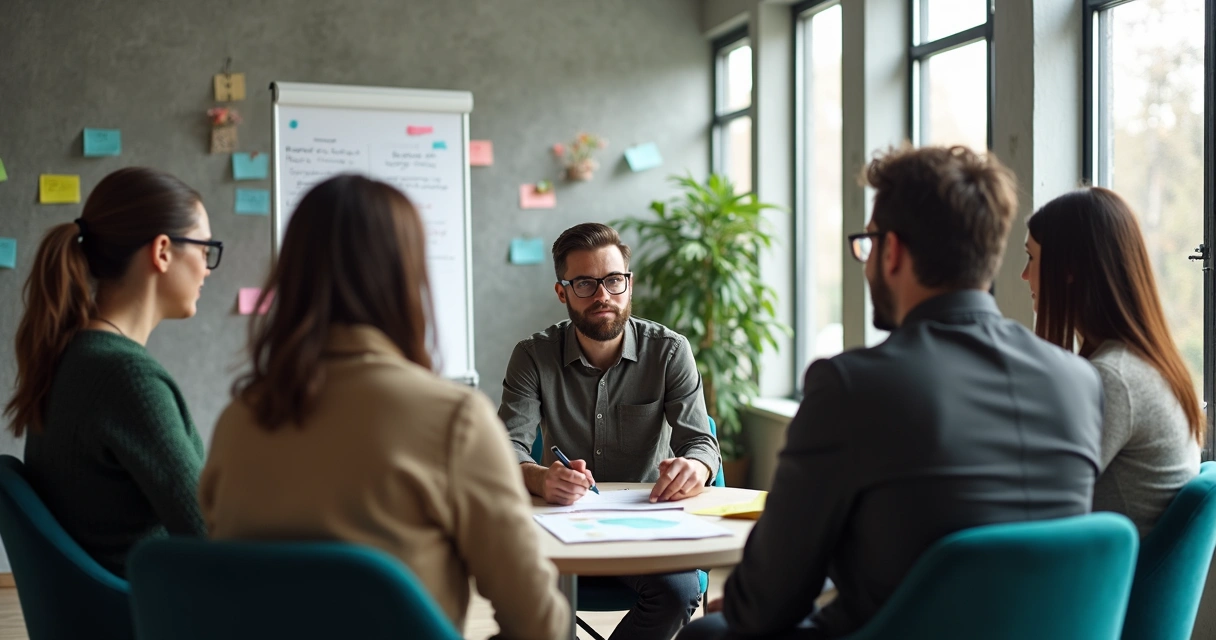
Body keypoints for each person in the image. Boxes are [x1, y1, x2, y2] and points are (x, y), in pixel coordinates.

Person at [679, 145, 1104, 639]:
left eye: (868, 244)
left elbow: (764, 605)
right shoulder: (1077, 381)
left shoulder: (851, 386)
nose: (866, 261)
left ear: (893, 250)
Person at [200, 175, 568, 638]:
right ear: (406, 276)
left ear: (291, 275)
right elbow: (541, 627)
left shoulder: (239, 421)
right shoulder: (454, 421)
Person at [498, 222, 721, 640]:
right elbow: (506, 448)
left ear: (628, 284)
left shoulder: (670, 350)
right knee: (517, 592)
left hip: (645, 527)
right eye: (585, 283)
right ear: (562, 292)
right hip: (560, 526)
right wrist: (541, 478)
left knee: (679, 589)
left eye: (614, 280)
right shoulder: (532, 356)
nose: (603, 295)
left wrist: (695, 466)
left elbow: (700, 442)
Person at [4, 167, 218, 576]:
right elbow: (212, 535)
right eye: (205, 250)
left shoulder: (74, 357)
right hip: (151, 616)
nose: (208, 268)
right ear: (162, 251)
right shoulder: (127, 380)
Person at [1022, 186, 1201, 537]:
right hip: (1113, 583)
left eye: (1031, 258)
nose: (1024, 276)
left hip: (1094, 589)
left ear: (1068, 269)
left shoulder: (1113, 379)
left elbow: (1039, 506)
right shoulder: (1141, 364)